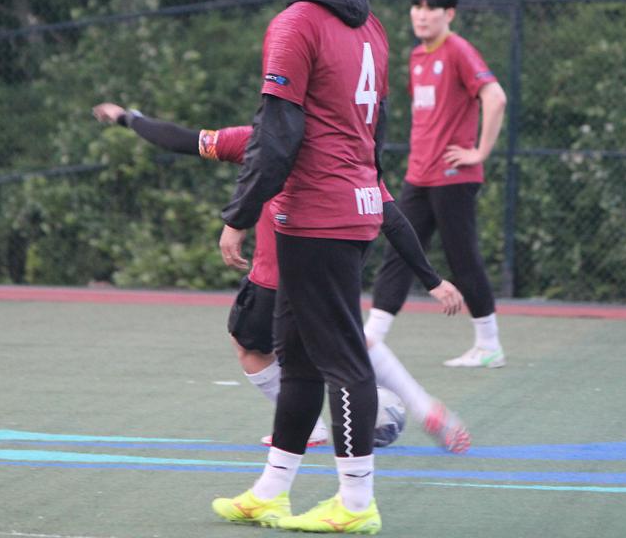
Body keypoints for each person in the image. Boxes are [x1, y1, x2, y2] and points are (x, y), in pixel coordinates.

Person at [91, 104, 471, 456]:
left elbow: (182, 140)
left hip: (275, 280)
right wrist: (432, 280)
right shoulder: (348, 152)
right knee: (352, 341)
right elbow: (392, 218)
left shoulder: (258, 140)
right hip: (331, 273)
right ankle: (423, 406)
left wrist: (129, 118)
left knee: (250, 347)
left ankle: (309, 431)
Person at [212, 0, 389, 533]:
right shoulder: (370, 26)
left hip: (319, 213)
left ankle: (356, 503)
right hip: (339, 207)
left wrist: (239, 213)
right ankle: (273, 489)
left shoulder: (296, 24)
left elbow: (278, 132)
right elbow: (375, 132)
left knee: (341, 360)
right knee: (299, 358)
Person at [366, 0, 509, 369]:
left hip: (453, 176)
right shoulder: (416, 57)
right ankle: (370, 339)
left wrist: (479, 152)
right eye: (417, 7)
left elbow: (495, 97)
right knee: (399, 252)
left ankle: (489, 345)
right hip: (420, 174)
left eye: (431, 8)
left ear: (450, 14)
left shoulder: (458, 50)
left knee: (463, 258)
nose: (421, 15)